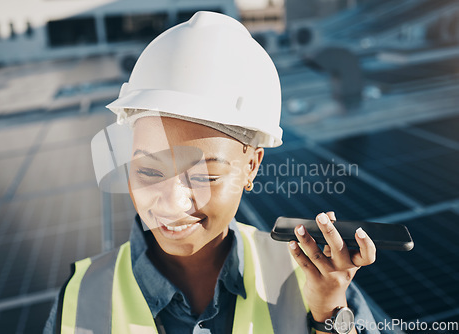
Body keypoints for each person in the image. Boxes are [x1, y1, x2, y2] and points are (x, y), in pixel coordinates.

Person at [44, 11, 379, 334]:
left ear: (252, 165)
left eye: (205, 177)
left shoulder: (316, 277)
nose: (173, 203)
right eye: (147, 171)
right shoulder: (81, 297)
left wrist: (328, 314)